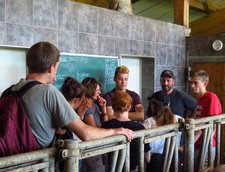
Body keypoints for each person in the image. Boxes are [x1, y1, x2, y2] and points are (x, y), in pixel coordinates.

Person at [4, 41, 133, 149]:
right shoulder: (49, 92)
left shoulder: (9, 91)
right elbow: (86, 134)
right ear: (51, 68)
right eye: (57, 66)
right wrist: (116, 131)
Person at [102, 91, 150, 172]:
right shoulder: (139, 128)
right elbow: (147, 158)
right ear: (129, 107)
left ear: (112, 107)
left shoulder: (106, 127)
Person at [143, 91, 183, 172]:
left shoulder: (149, 123)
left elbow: (141, 141)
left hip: (156, 161)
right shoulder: (179, 119)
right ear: (169, 105)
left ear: (153, 105)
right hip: (174, 159)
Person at [189, 69, 222, 172]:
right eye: (192, 83)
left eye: (195, 83)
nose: (192, 86)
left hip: (206, 145)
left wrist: (196, 141)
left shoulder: (211, 98)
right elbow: (196, 118)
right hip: (197, 143)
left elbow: (210, 124)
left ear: (205, 83)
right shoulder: (199, 99)